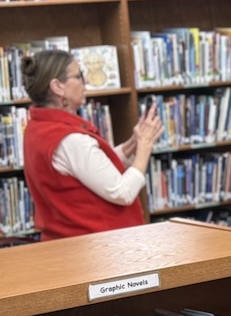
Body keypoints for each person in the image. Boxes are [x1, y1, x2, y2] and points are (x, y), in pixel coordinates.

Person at [21, 50, 163, 240]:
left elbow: (88, 168)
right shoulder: (69, 139)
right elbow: (122, 192)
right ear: (57, 87)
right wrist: (145, 147)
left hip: (69, 243)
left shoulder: (38, 126)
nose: (85, 80)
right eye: (78, 75)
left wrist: (132, 144)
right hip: (100, 249)